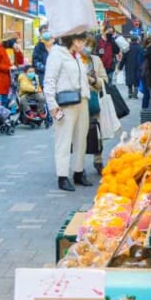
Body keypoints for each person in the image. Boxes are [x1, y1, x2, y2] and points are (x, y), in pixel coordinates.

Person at [43, 35, 93, 192]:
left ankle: (79, 171)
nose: (83, 44)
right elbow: (49, 80)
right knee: (63, 140)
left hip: (82, 101)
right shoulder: (57, 54)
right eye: (81, 41)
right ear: (73, 40)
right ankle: (62, 176)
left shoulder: (77, 56)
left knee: (81, 139)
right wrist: (52, 104)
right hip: (65, 103)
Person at [79, 34, 108, 174]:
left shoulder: (96, 60)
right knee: (80, 133)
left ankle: (98, 160)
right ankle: (79, 165)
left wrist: (93, 80)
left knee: (97, 132)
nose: (88, 48)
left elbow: (105, 80)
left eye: (91, 45)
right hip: (79, 102)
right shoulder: (74, 60)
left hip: (94, 101)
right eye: (86, 44)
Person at [0, 37, 16, 106]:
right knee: (4, 97)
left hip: (8, 75)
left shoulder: (4, 49)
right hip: (3, 75)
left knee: (8, 95)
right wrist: (9, 67)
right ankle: (4, 113)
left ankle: (6, 111)